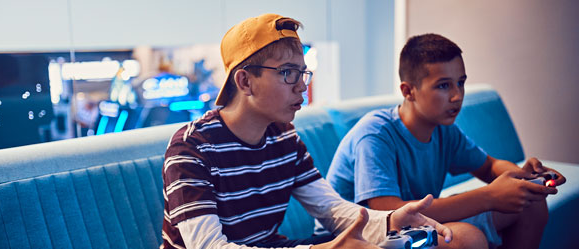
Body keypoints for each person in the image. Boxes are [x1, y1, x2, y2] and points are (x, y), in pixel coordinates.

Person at [161, 14, 452, 249]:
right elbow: (209, 247)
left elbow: (331, 209)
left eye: (303, 72)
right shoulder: (192, 147)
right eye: (288, 73)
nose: (301, 85)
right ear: (246, 82)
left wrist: (390, 221)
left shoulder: (284, 137)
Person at [325, 33, 566, 249]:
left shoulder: (443, 130)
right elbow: (387, 210)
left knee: (531, 205)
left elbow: (489, 166)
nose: (457, 96)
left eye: (460, 82)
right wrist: (490, 196)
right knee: (467, 238)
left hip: (413, 223)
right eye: (443, 86)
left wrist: (523, 180)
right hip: (362, 235)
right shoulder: (375, 133)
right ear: (408, 91)